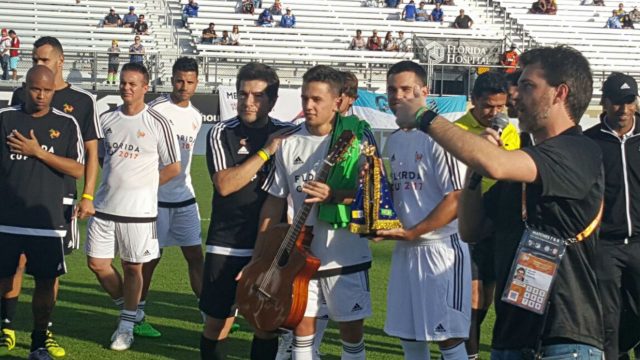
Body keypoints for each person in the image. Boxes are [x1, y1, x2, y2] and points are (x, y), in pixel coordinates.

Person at [391, 45, 605, 358]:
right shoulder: (525, 162)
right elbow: (471, 229)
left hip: (564, 339)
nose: (516, 95)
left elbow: (497, 165)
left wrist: (423, 115)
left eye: (529, 85)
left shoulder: (579, 151)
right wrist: (473, 175)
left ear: (560, 93)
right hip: (510, 338)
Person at [258, 65, 376, 360]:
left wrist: (334, 195)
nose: (308, 106)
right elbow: (275, 199)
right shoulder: (289, 142)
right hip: (299, 253)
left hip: (343, 252)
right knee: (301, 331)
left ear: (337, 102)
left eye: (316, 100)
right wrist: (261, 255)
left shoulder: (357, 139)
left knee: (350, 334)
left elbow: (372, 199)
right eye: (304, 98)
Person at [5, 36, 102, 359]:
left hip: (50, 215)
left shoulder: (74, 114)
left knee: (48, 278)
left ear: (59, 63)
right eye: (36, 88)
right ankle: (5, 327)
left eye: (46, 89)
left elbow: (84, 162)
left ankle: (39, 338)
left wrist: (87, 194)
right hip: (8, 216)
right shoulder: (7, 116)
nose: (41, 94)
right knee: (7, 272)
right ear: (26, 85)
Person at [199, 62, 294, 360]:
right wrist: (266, 150)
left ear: (272, 100)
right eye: (242, 95)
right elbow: (225, 184)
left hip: (270, 244)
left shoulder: (289, 134)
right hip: (227, 242)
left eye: (256, 96)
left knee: (265, 324)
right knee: (217, 322)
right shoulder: (221, 132)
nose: (247, 102)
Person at [86, 62, 181, 352]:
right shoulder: (107, 119)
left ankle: (126, 327)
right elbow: (101, 157)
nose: (127, 88)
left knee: (133, 268)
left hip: (139, 213)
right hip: (104, 207)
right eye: (124, 83)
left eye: (133, 84)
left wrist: (146, 187)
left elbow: (174, 167)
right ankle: (133, 312)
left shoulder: (158, 122)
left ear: (145, 87)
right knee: (97, 264)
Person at [381, 60, 471, 360]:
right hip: (406, 250)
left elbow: (456, 199)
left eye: (406, 89)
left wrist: (413, 232)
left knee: (448, 339)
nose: (398, 96)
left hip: (440, 249)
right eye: (392, 90)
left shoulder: (441, 137)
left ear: (424, 91)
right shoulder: (393, 140)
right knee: (410, 337)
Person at [453, 71, 520, 360]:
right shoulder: (457, 131)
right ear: (473, 102)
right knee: (474, 299)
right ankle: (468, 355)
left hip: (501, 221)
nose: (494, 113)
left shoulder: (511, 131)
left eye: (500, 107)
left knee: (494, 298)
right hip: (469, 220)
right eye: (487, 106)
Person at [139, 57, 203, 339]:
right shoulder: (155, 110)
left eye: (189, 82)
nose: (183, 86)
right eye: (179, 80)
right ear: (172, 79)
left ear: (197, 82)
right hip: (156, 200)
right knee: (150, 259)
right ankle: (137, 314)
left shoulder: (196, 116)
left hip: (185, 199)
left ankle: (208, 311)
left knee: (195, 257)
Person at [584, 72, 640, 360]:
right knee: (608, 318)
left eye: (629, 102)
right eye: (617, 102)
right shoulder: (589, 142)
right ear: (604, 103)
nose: (624, 109)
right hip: (605, 243)